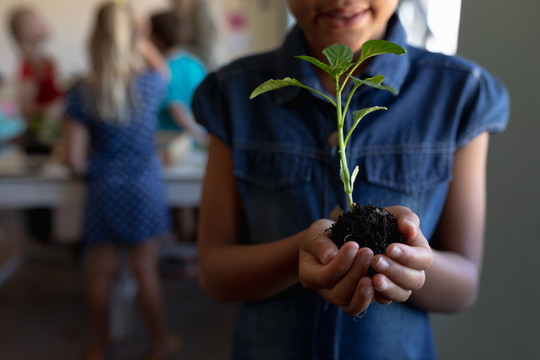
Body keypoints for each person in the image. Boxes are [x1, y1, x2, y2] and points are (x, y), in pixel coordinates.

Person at [192, 1, 509, 359]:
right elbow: (214, 272)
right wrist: (301, 252)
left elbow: (463, 286)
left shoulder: (460, 93)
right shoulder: (231, 93)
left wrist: (402, 258)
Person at [63, 2, 175, 359]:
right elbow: (164, 68)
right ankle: (158, 344)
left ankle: (101, 345)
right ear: (135, 38)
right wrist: (140, 37)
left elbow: (75, 161)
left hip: (104, 187)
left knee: (101, 272)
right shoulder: (149, 83)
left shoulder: (81, 91)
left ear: (96, 38)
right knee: (145, 270)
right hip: (143, 184)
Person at [7, 5, 63, 154]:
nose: (43, 24)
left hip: (54, 130)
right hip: (42, 136)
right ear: (24, 31)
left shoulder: (47, 62)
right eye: (36, 22)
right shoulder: (27, 68)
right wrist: (54, 106)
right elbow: (26, 109)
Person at [150, 9, 208, 146]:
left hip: (171, 144)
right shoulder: (195, 64)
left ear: (157, 39)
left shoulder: (162, 70)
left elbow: (176, 109)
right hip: (194, 142)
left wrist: (197, 135)